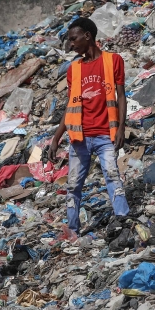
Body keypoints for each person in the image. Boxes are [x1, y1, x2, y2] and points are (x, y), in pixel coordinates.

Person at [48, 17, 130, 237]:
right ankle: (73, 230)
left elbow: (121, 96)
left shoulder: (113, 61)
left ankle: (123, 220)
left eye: (74, 39)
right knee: (73, 185)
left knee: (112, 176)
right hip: (79, 138)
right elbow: (70, 106)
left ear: (88, 36)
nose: (71, 45)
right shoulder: (73, 69)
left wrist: (121, 127)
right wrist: (56, 138)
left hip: (106, 134)